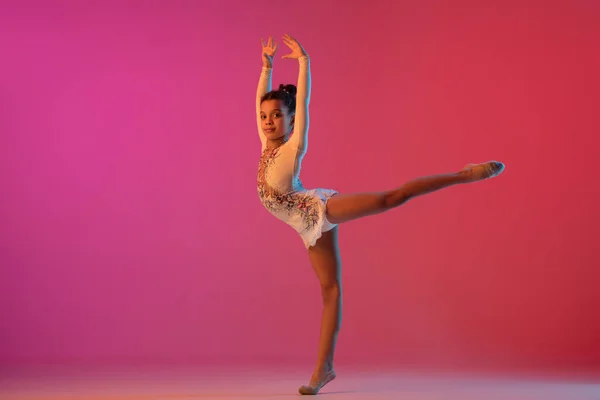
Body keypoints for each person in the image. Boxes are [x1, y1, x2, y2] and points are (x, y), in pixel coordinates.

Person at [255, 34, 504, 395]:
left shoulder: (294, 147)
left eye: (278, 116)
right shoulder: (265, 145)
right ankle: (325, 369)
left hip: (316, 207)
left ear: (291, 122)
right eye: (265, 116)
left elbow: (304, 102)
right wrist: (266, 66)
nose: (268, 121)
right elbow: (258, 101)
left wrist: (304, 63)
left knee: (391, 198)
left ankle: (465, 174)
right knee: (331, 290)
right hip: (304, 227)